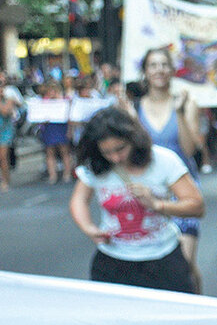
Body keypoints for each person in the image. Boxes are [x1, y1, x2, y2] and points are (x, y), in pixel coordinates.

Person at [68, 107, 204, 293]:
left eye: (120, 149)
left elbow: (196, 206)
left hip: (162, 259)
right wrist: (88, 228)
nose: (115, 157)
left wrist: (157, 204)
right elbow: (79, 199)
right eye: (107, 152)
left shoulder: (163, 160)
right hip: (113, 261)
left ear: (133, 139)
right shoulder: (96, 166)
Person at [135, 48, 205, 290]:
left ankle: (197, 303)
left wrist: (179, 111)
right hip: (149, 191)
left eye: (164, 65)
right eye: (153, 65)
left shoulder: (187, 103)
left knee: (184, 264)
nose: (159, 70)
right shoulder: (135, 108)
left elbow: (188, 149)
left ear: (172, 70)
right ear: (145, 71)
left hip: (182, 189)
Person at [0, 70, 23, 192]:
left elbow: (5, 111)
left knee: (3, 157)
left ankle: (6, 180)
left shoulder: (9, 99)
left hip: (5, 131)